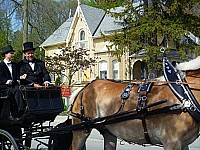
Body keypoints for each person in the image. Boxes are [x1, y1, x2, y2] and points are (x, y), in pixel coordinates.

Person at [0, 45, 20, 121]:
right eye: (10, 53)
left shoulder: (15, 65)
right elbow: (0, 77)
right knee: (15, 91)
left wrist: (19, 78)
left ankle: (20, 111)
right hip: (4, 87)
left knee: (19, 90)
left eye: (12, 53)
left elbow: (17, 76)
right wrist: (6, 81)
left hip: (14, 85)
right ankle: (13, 113)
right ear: (5, 54)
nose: (12, 55)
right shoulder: (1, 65)